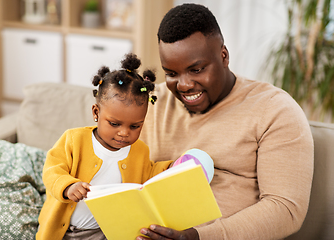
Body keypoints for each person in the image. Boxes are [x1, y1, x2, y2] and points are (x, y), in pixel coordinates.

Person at [137, 3, 314, 240]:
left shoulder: (275, 110)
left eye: (197, 69)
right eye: (171, 73)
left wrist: (197, 237)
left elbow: (286, 209)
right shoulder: (149, 103)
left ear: (224, 56)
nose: (184, 85)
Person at [36, 53, 174, 240]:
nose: (124, 133)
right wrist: (68, 186)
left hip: (107, 231)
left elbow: (149, 174)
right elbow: (51, 171)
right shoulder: (74, 140)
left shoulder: (140, 151)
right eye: (114, 124)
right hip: (66, 230)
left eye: (135, 126)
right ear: (96, 112)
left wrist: (172, 167)